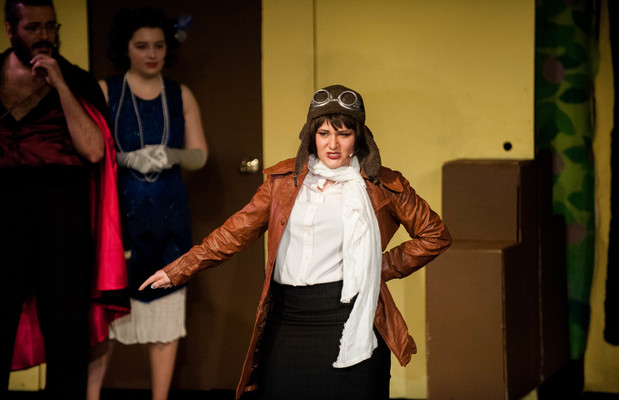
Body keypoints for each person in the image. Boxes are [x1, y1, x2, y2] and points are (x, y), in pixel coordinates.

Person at [142, 84, 452, 400]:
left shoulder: (383, 184)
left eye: (344, 134)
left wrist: (378, 267)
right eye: (324, 133)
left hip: (350, 318)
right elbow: (234, 233)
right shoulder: (283, 182)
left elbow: (435, 235)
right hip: (288, 322)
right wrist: (180, 268)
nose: (333, 144)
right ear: (311, 136)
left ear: (359, 137)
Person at [0, 0, 126, 398]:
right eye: (33, 27)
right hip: (4, 218)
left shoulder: (76, 79)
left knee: (66, 337)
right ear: (10, 29)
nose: (44, 36)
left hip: (62, 219)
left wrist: (61, 86)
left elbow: (94, 150)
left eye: (51, 27)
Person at [87, 7, 207, 400]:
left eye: (158, 45)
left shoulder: (180, 93)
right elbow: (90, 149)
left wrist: (171, 155)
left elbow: (199, 155)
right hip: (118, 218)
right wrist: (124, 159)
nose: (151, 54)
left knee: (165, 315)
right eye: (142, 46)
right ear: (126, 48)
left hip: (169, 217)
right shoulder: (106, 90)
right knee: (107, 316)